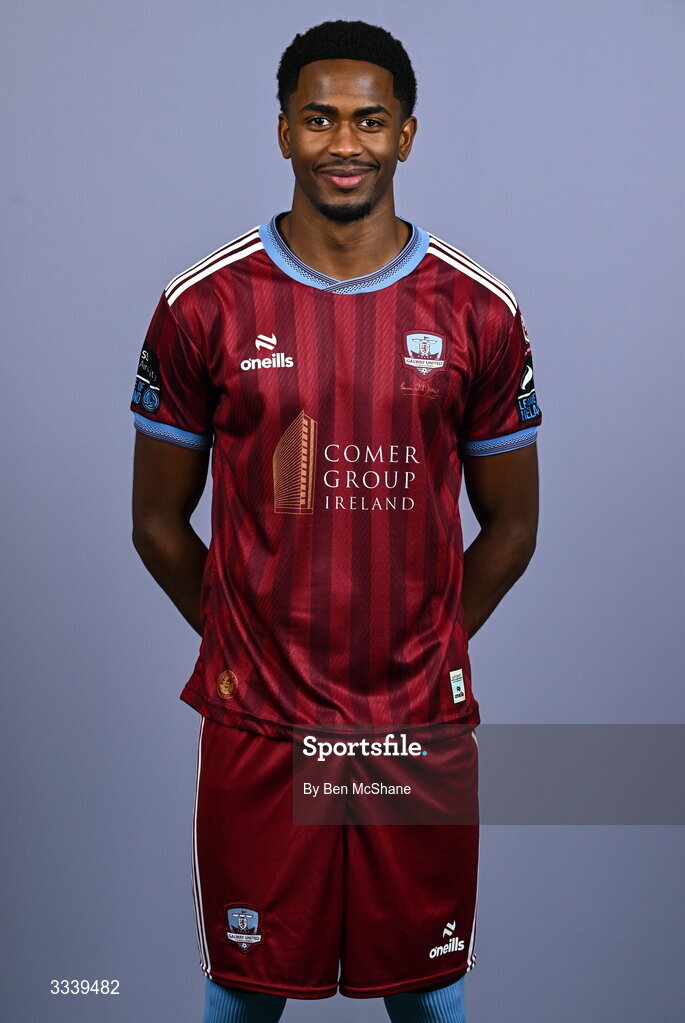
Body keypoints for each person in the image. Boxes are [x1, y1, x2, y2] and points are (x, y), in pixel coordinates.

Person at [130, 19, 541, 1023]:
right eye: (319, 120)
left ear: (406, 134)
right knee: (243, 995)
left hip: (415, 725)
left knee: (431, 994)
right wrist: (250, 640)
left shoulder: (477, 312)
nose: (343, 143)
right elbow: (156, 523)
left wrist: (419, 645)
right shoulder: (203, 306)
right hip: (263, 722)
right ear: (282, 133)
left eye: (368, 120)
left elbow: (513, 529)